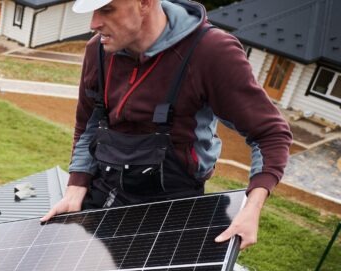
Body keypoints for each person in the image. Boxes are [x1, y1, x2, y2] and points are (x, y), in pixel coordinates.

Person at [41, 0, 292, 249]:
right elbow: (89, 124)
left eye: (107, 10)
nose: (94, 23)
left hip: (172, 202)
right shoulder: (97, 50)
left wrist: (252, 207)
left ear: (144, 3)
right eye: (92, 11)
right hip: (105, 189)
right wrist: (76, 187)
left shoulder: (211, 52)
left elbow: (270, 134)